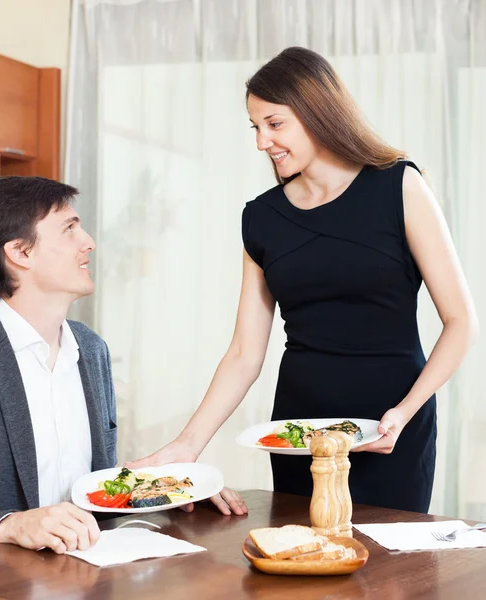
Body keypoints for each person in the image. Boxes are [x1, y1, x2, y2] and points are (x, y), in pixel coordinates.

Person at [128, 47, 479, 513]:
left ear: (318, 113)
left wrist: (404, 413)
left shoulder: (399, 185)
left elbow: (460, 322)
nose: (261, 141)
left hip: (389, 426)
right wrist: (187, 445)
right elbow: (244, 353)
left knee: (390, 574)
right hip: (299, 433)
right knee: (302, 562)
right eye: (255, 127)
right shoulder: (260, 218)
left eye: (274, 124)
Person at [0, 177, 245, 560]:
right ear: (20, 252)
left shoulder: (91, 351)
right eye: (69, 229)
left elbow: (94, 497)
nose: (88, 241)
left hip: (92, 581)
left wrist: (173, 491)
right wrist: (10, 526)